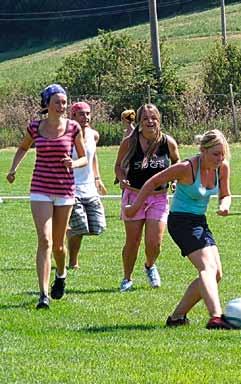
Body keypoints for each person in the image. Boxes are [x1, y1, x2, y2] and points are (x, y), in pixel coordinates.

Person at [124, 130, 234, 329]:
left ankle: (177, 317)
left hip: (199, 222)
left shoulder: (222, 168)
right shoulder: (186, 167)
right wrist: (134, 207)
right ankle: (216, 316)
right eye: (215, 154)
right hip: (181, 222)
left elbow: (226, 194)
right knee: (207, 269)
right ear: (203, 151)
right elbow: (154, 181)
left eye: (222, 154)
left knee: (216, 274)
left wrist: (224, 205)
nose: (220, 158)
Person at [6, 84, 87, 309]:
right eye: (58, 102)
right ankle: (43, 295)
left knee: (59, 246)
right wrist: (13, 169)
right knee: (45, 239)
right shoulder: (34, 127)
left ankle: (61, 274)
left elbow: (84, 158)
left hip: (64, 190)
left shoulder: (73, 128)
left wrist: (74, 163)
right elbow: (23, 148)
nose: (62, 106)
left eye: (64, 102)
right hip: (40, 188)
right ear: (47, 104)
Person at [114, 103, 180, 292]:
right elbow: (118, 166)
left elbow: (177, 162)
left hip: (159, 197)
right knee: (133, 241)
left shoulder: (168, 142)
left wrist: (174, 180)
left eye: (153, 118)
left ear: (159, 120)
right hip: (134, 196)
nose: (150, 121)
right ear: (140, 121)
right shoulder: (130, 142)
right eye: (145, 118)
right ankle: (127, 278)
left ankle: (150, 265)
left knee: (154, 242)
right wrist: (122, 178)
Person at [67, 102, 108, 270]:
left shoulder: (93, 135)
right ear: (73, 116)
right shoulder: (66, 136)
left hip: (89, 187)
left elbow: (93, 157)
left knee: (97, 227)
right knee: (80, 227)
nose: (86, 117)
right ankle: (72, 261)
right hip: (71, 187)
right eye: (81, 114)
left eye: (88, 113)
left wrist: (98, 178)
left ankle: (65, 231)